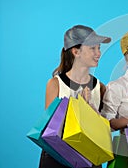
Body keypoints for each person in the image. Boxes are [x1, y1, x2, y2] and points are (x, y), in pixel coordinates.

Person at [39, 25, 111, 168]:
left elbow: (103, 126)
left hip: (89, 157)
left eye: (99, 48)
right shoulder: (56, 84)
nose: (98, 53)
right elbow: (50, 128)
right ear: (76, 51)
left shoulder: (99, 87)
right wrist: (80, 107)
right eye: (92, 48)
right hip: (58, 158)